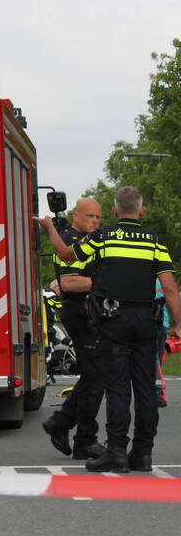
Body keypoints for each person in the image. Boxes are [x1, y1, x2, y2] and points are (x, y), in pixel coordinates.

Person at [38, 186, 181, 472]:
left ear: (115, 212)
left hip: (113, 320)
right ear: (142, 211)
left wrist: (50, 229)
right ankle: (143, 453)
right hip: (145, 320)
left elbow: (66, 256)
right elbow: (168, 286)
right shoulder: (154, 241)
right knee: (145, 389)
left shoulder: (103, 237)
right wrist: (177, 324)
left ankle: (116, 450)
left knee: (116, 387)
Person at [41, 198, 107, 460]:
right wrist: (105, 283)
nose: (95, 221)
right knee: (96, 376)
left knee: (94, 375)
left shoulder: (89, 240)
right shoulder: (71, 241)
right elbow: (68, 283)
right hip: (79, 312)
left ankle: (63, 423)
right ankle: (84, 438)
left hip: (89, 312)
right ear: (76, 216)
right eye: (90, 216)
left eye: (99, 217)